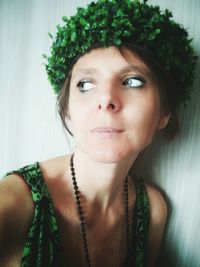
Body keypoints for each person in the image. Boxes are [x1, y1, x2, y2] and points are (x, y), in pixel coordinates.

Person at [0, 0, 197, 266]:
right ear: (68, 109)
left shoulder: (153, 210)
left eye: (133, 81)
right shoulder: (11, 205)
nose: (105, 99)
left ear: (164, 113)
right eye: (85, 84)